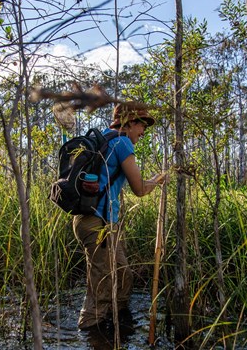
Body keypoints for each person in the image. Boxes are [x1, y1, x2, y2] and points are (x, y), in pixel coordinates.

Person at [73, 104, 168, 331]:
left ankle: (120, 323)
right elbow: (140, 189)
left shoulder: (104, 138)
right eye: (142, 125)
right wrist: (158, 179)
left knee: (122, 274)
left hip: (95, 221)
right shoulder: (122, 142)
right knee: (102, 283)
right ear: (130, 122)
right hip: (98, 223)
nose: (143, 132)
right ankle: (90, 330)